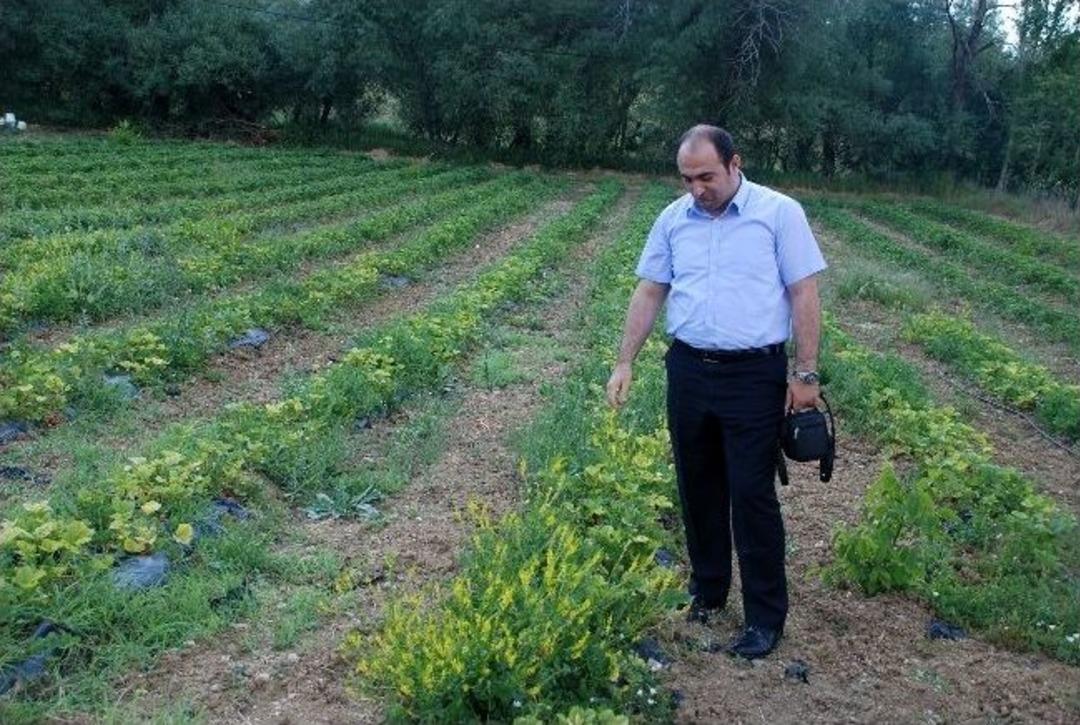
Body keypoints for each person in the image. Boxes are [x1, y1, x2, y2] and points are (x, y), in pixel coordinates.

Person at [605, 125, 826, 659]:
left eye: (706, 176)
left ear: (734, 164)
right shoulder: (673, 219)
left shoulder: (778, 214)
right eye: (687, 178)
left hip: (754, 375)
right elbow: (650, 288)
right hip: (687, 369)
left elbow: (804, 291)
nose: (696, 188)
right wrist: (624, 361)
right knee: (697, 484)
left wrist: (806, 373)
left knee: (751, 494)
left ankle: (764, 618)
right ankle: (707, 590)